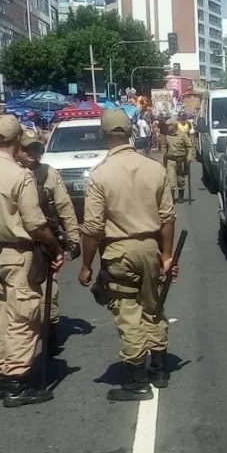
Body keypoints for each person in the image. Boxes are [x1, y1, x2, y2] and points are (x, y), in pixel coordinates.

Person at [78, 109, 176, 402]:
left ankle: (137, 381)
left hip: (120, 250)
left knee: (128, 311)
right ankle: (159, 370)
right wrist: (167, 256)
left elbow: (93, 228)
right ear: (131, 131)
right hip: (151, 247)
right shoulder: (154, 168)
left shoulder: (100, 174)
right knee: (154, 304)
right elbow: (168, 217)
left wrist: (85, 265)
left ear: (103, 134)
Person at [0, 115, 64, 408]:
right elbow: (35, 224)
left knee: (1, 314)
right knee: (23, 317)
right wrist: (55, 247)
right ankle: (16, 384)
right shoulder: (19, 176)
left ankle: (0, 376)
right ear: (18, 139)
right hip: (18, 252)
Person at [18, 131, 80, 352]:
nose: (32, 154)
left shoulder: (48, 174)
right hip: (17, 244)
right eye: (26, 149)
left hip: (44, 243)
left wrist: (73, 237)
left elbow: (64, 207)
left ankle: (49, 333)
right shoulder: (10, 174)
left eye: (36, 148)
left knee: (48, 292)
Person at [161, 118, 194, 202]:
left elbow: (189, 147)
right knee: (170, 181)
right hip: (170, 161)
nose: (167, 127)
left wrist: (189, 156)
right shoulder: (166, 136)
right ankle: (171, 199)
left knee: (181, 180)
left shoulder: (182, 135)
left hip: (181, 160)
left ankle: (181, 196)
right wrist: (164, 155)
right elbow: (164, 146)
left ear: (173, 126)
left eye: (169, 126)